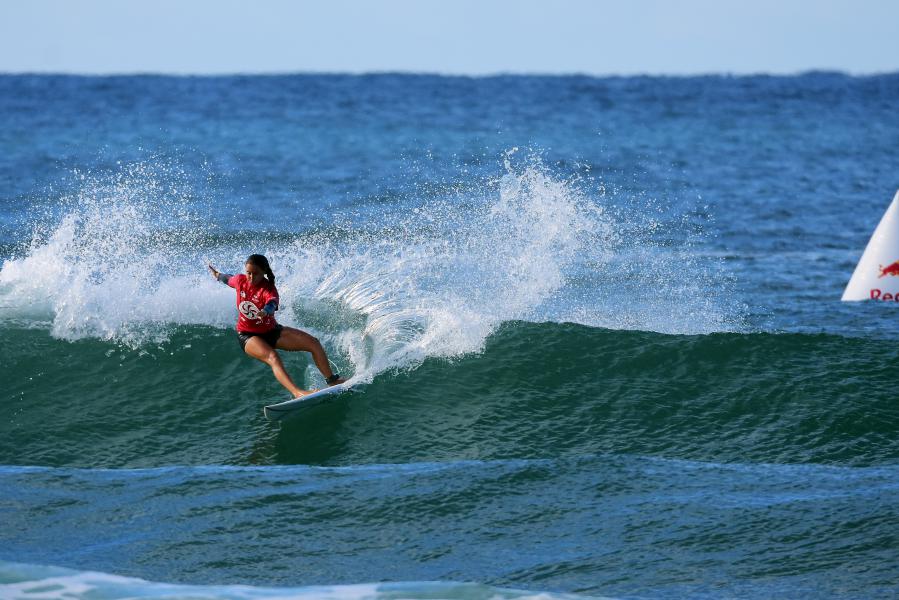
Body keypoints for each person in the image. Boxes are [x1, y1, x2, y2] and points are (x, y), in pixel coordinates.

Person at [208, 254, 345, 398]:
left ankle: (332, 381)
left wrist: (265, 311)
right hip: (247, 335)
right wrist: (217, 274)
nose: (251, 277)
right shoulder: (240, 280)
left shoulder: (268, 289)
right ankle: (298, 393)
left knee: (314, 343)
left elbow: (272, 303)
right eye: (248, 273)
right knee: (273, 357)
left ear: (264, 273)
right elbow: (227, 279)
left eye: (256, 274)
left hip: (271, 331)